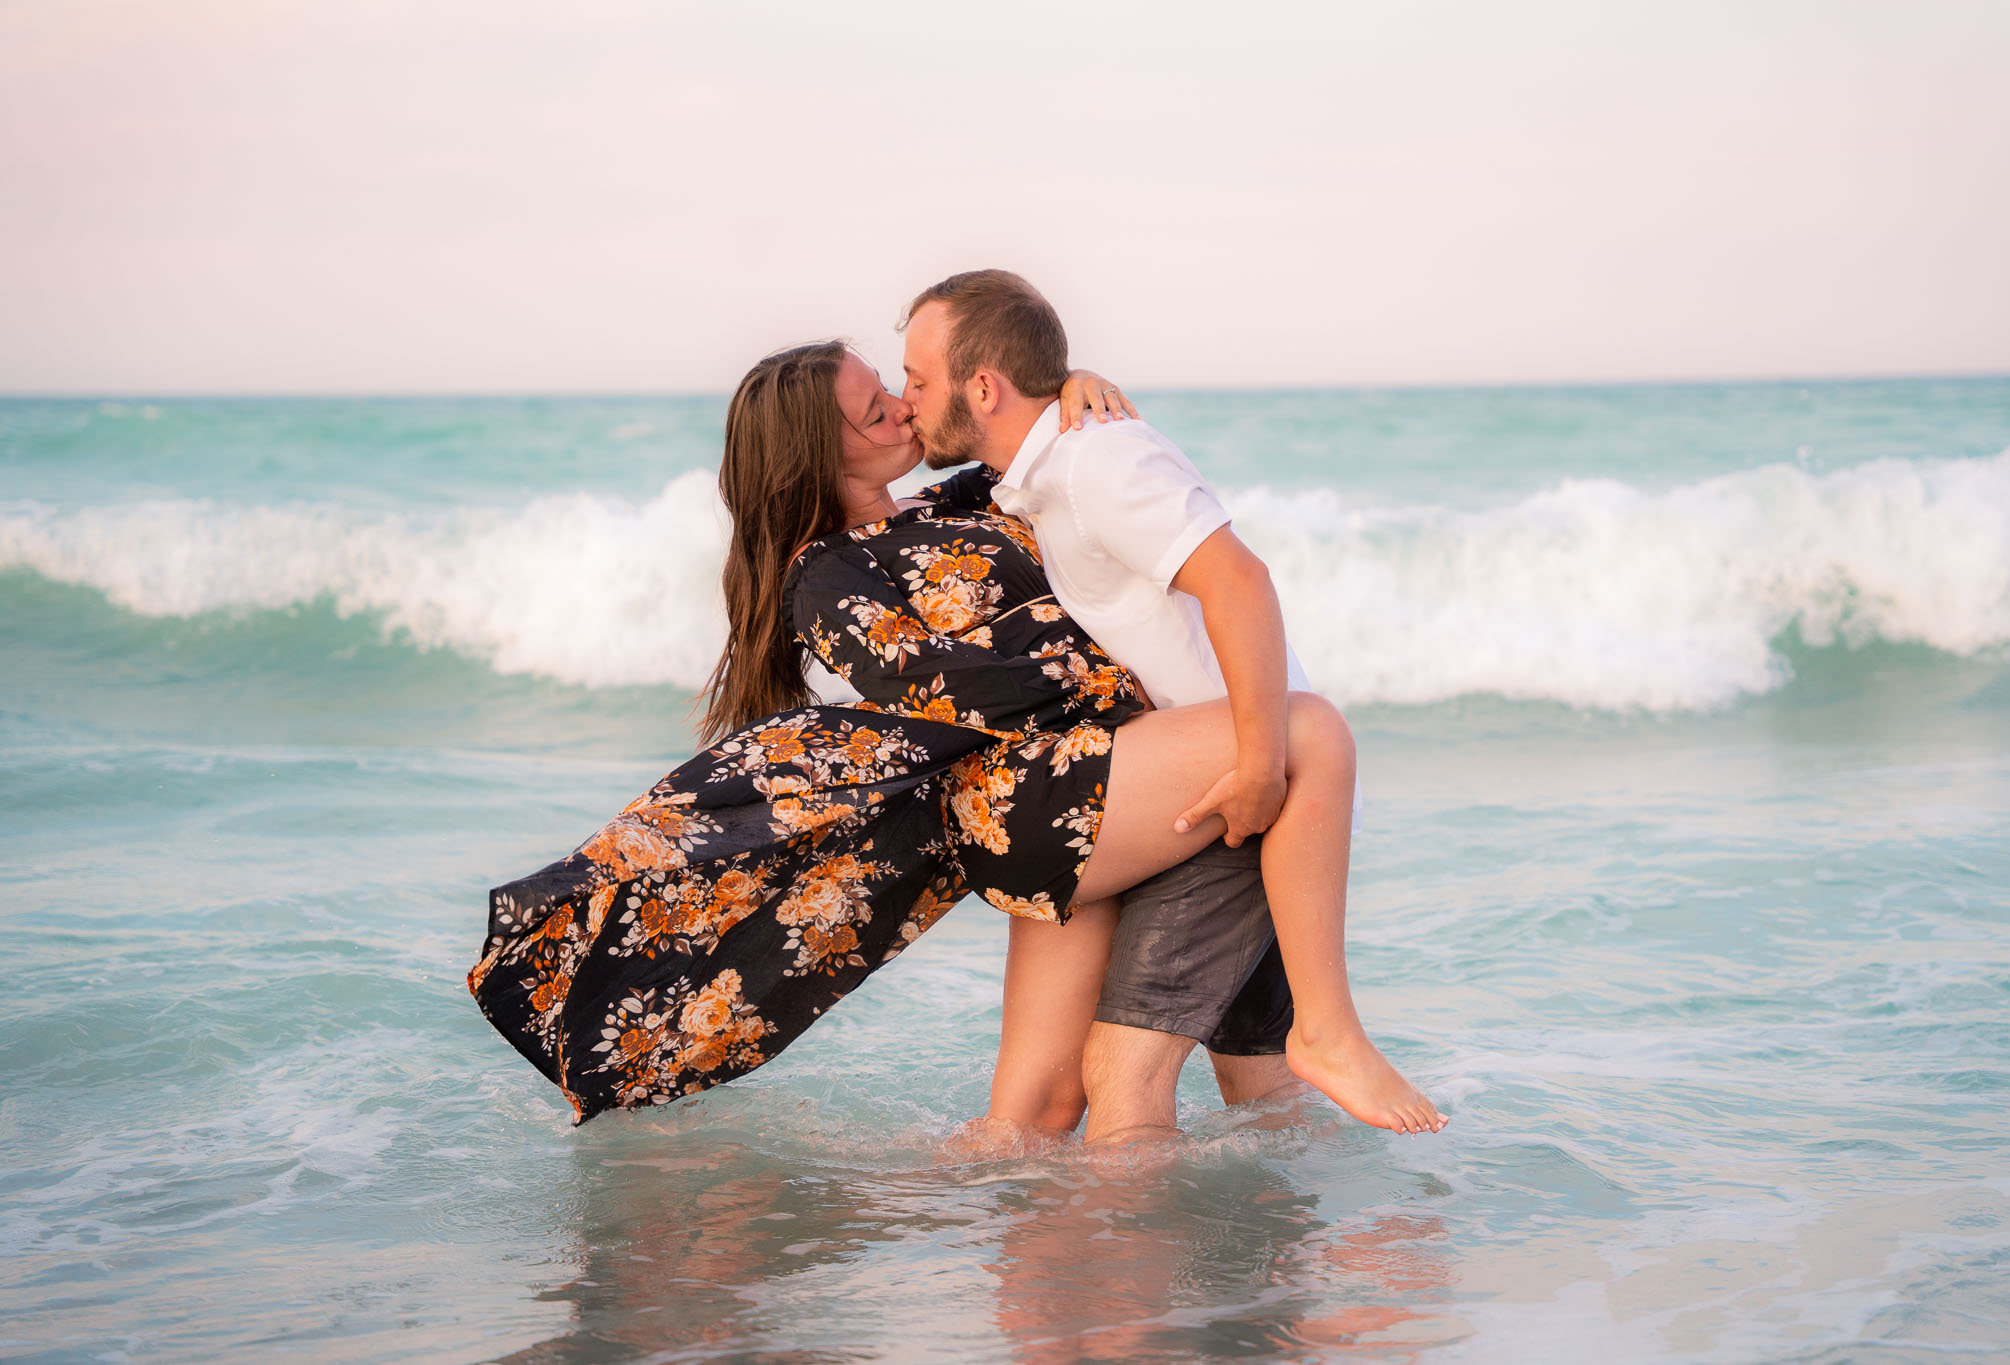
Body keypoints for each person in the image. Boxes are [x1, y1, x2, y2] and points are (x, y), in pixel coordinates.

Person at [470, 335, 1443, 1137]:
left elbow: (1048, 457)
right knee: (1301, 732)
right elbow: (939, 689)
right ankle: (1327, 1031)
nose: (900, 408)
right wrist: (1117, 690)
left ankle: (986, 1263)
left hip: (1102, 787)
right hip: (1037, 799)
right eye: (872, 411)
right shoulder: (826, 576)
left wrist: (1071, 387)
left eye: (891, 388)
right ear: (820, 453)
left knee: (1035, 1115)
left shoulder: (966, 497)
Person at [897, 271, 1443, 1141]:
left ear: (983, 386)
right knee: (1261, 1086)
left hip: (1248, 788)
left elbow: (1240, 581)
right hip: (1227, 786)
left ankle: (1123, 1269)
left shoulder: (1097, 462)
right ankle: (1318, 1256)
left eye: (917, 379)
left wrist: (1261, 767)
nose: (905, 399)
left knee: (1130, 1072)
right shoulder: (1045, 475)